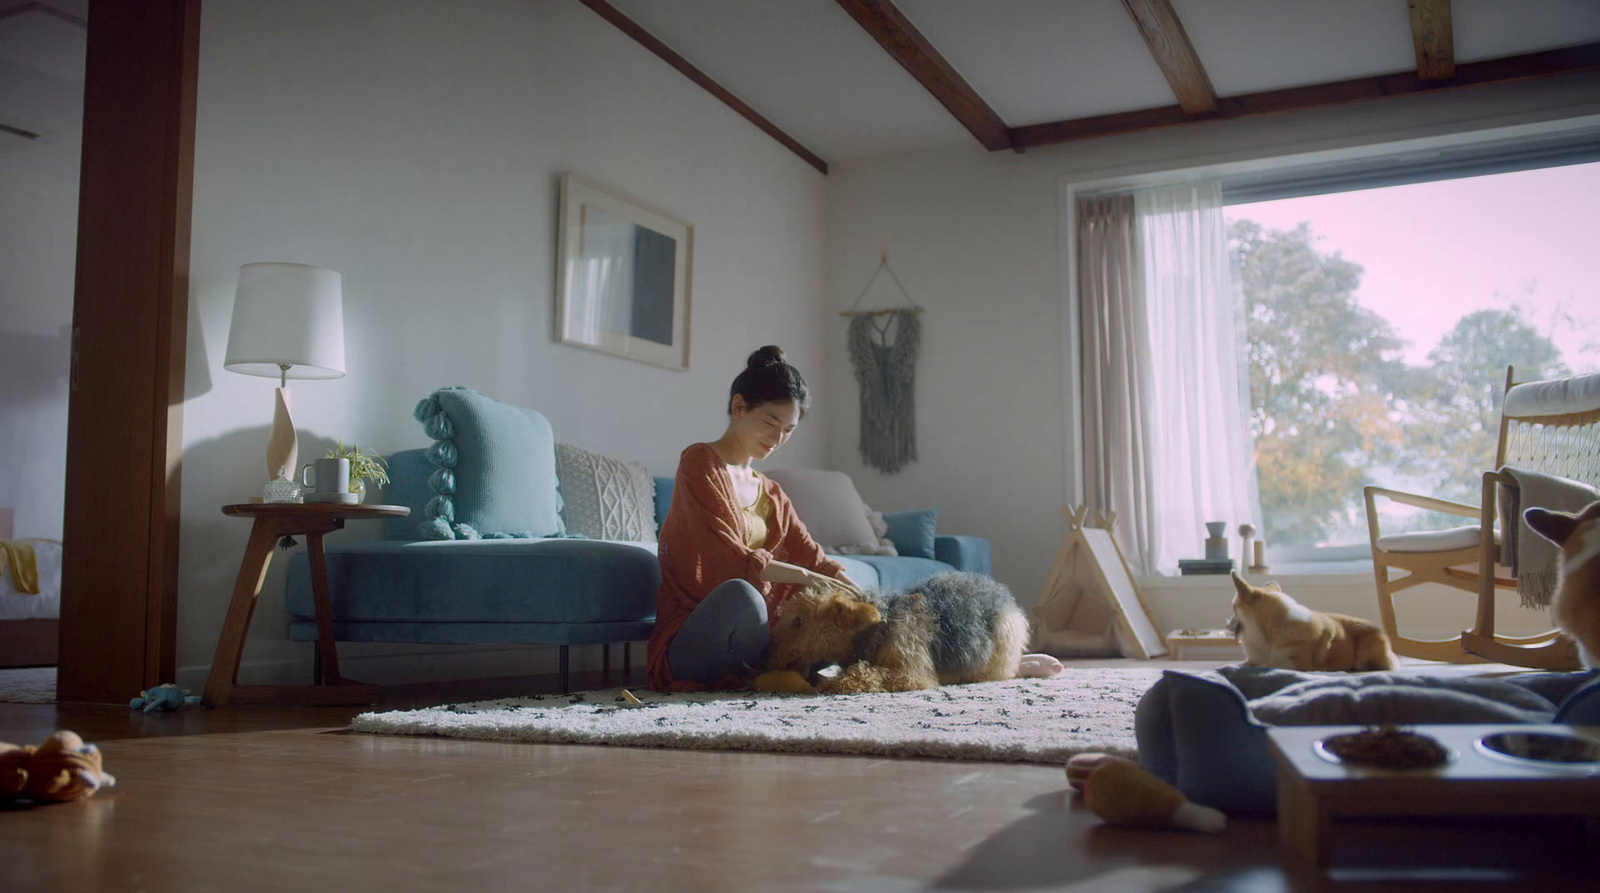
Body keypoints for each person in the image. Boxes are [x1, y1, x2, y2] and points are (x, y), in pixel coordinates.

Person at [648, 346, 864, 692]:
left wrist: (858, 596)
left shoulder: (773, 494)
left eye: (789, 430)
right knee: (742, 596)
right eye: (770, 423)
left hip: (759, 641)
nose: (777, 440)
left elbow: (813, 557)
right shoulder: (700, 462)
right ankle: (776, 671)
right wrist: (807, 577)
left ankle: (775, 671)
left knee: (839, 611)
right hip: (700, 636)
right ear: (738, 407)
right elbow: (727, 558)